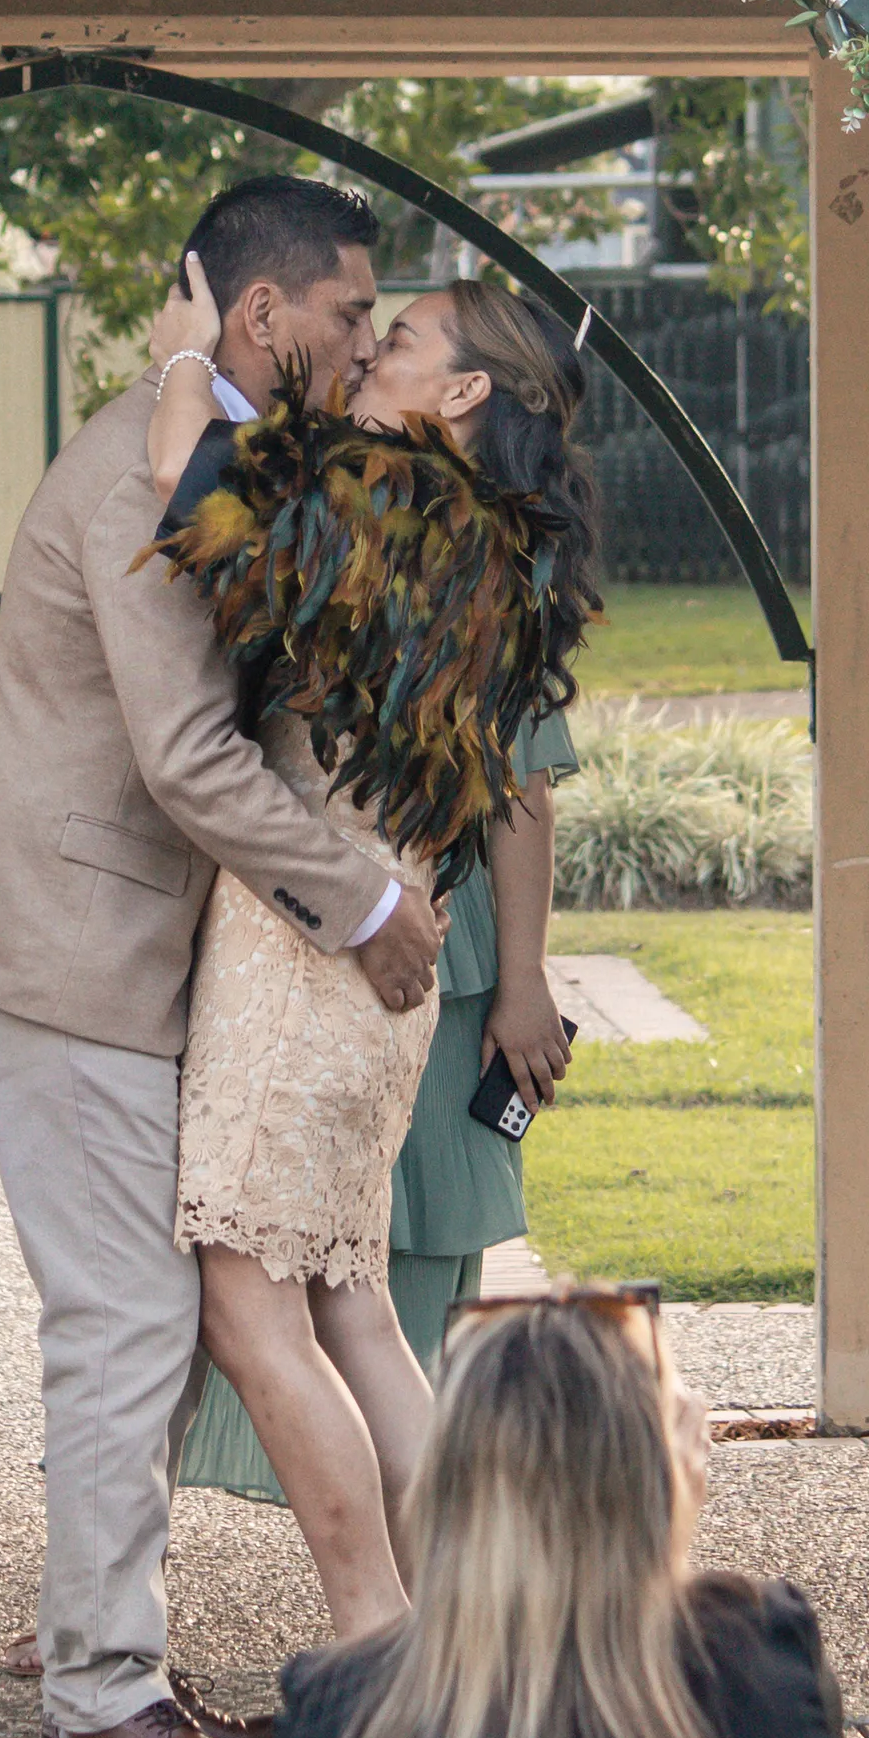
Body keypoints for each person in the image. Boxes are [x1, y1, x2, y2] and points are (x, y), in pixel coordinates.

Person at [0, 174, 445, 1738]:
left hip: (107, 949)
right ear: (265, 311)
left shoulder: (218, 456)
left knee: (150, 1321)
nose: (364, 342)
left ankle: (101, 1652)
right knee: (132, 1317)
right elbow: (191, 757)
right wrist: (364, 904)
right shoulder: (137, 473)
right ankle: (101, 1696)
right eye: (349, 313)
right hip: (60, 949)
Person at [143, 268, 599, 1641]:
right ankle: (465, 1624)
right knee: (352, 1307)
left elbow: (186, 486)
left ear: (462, 388)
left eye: (396, 340)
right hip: (389, 953)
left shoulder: (380, 499)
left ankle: (377, 1634)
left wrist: (182, 357)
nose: (369, 352)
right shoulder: (492, 542)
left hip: (302, 954)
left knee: (251, 1309)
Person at [176, 697, 579, 1506]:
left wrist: (525, 975)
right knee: (334, 1300)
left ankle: (405, 1570)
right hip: (307, 940)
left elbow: (521, 775)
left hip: (396, 954)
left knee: (364, 1281)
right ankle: (436, 1570)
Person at [271, 1285, 844, 1738]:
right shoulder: (765, 1661)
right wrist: (669, 1521)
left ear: (444, 1482)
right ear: (653, 1477)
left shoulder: (334, 1716)